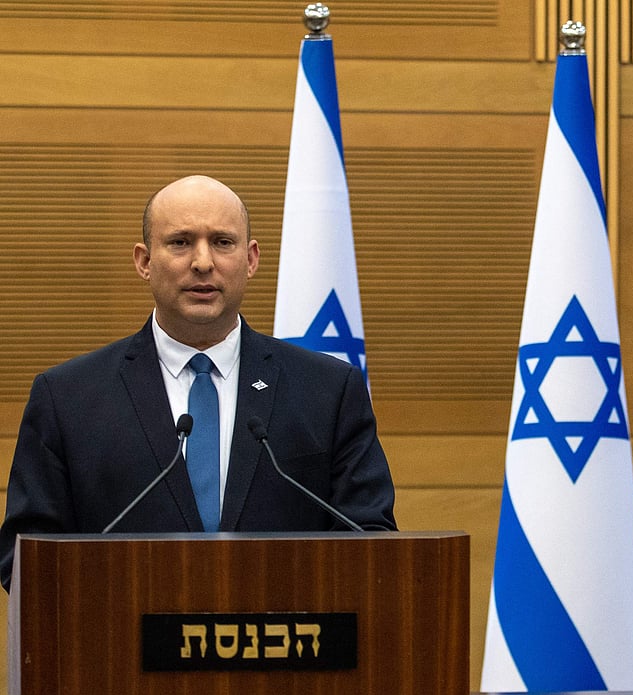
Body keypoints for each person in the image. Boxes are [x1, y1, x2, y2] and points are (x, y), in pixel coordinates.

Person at [0, 175, 395, 590]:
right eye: (180, 242)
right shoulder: (67, 398)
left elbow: (369, 535)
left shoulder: (328, 390)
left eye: (223, 242)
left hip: (284, 644)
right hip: (122, 646)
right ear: (144, 261)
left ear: (251, 259)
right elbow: (26, 556)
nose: (203, 262)